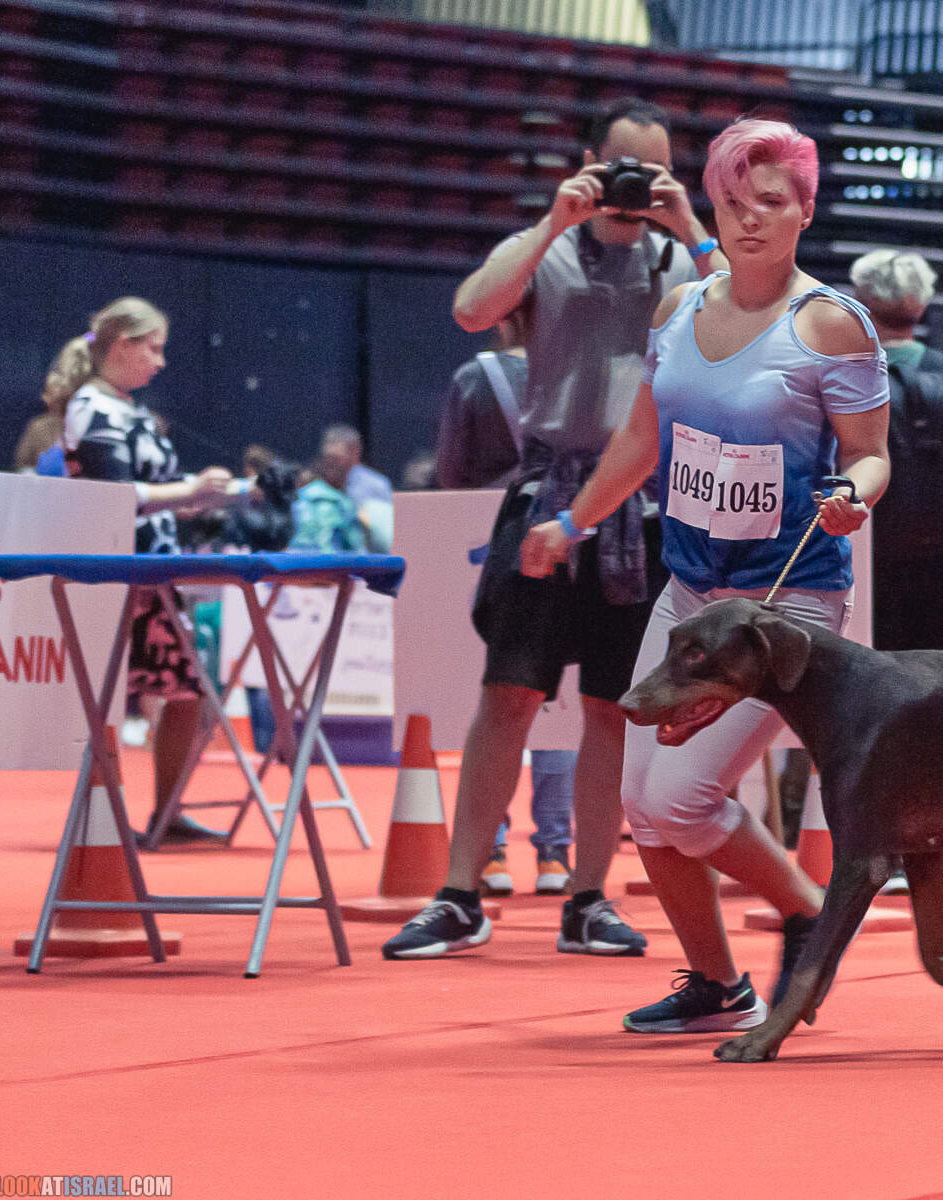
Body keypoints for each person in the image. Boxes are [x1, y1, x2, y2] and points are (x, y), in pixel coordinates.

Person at [521, 117, 891, 1033]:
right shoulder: (676, 311)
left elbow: (871, 453)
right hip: (690, 598)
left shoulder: (832, 325)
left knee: (682, 797)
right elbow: (641, 441)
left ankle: (811, 910)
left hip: (784, 610)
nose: (749, 218)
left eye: (770, 201)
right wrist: (570, 522)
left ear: (805, 210)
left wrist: (853, 494)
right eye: (732, 202)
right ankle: (720, 986)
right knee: (643, 809)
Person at [382, 97, 720, 961]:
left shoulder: (681, 264)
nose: (633, 188)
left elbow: (741, 326)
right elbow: (472, 309)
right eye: (621, 168)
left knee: (613, 709)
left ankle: (588, 898)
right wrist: (552, 221)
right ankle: (461, 895)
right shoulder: (551, 247)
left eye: (653, 171)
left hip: (640, 509)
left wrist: (692, 226)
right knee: (508, 696)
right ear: (588, 161)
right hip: (545, 499)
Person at [57, 297, 237, 843]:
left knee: (188, 696)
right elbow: (114, 495)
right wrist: (189, 489)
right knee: (115, 701)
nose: (160, 362)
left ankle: (166, 814)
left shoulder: (128, 410)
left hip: (155, 579)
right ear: (122, 345)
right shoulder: (92, 408)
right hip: (120, 581)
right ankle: (106, 824)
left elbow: (158, 496)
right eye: (153, 349)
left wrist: (209, 497)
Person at [432, 301, 578, 897]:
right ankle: (554, 854)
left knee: (500, 697)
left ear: (501, 317)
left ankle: (489, 852)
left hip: (498, 538)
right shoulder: (582, 374)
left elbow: (451, 473)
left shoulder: (477, 378)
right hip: (570, 534)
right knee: (557, 701)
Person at [847, 248, 943, 656]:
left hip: (865, 558)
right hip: (941, 562)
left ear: (860, 301)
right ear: (923, 304)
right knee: (933, 666)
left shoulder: (847, 372)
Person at [434, 302, 531, 491]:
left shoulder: (475, 376)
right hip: (569, 504)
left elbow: (450, 474)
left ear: (502, 322)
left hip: (494, 504)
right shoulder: (575, 377)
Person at [319, 425, 393, 551]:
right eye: (328, 458)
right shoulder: (315, 483)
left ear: (355, 452)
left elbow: (387, 530)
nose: (331, 464)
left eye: (337, 458)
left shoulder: (376, 484)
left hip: (366, 554)